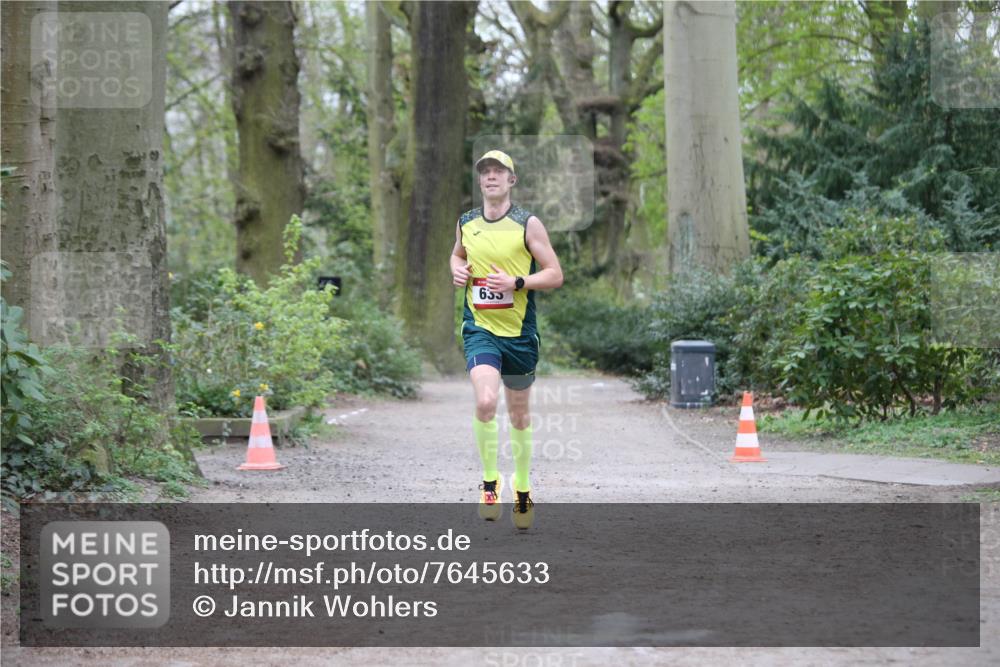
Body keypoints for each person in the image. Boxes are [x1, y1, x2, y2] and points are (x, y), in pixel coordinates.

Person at [450, 150, 564, 529]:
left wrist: (518, 282)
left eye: (499, 171)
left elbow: (554, 274)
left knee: (518, 414)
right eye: (485, 172)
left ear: (511, 180)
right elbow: (456, 256)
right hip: (480, 327)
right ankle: (488, 482)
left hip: (520, 334)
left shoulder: (527, 224)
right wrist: (458, 270)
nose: (492, 177)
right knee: (485, 401)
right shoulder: (466, 223)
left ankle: (523, 487)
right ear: (480, 181)